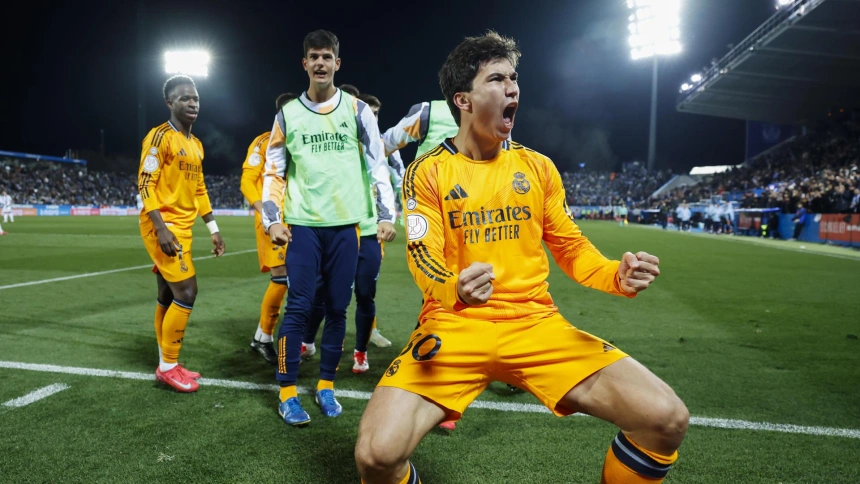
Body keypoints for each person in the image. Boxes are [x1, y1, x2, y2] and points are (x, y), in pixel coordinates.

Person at [354, 31, 688, 484]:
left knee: (666, 418)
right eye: (496, 79)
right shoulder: (427, 171)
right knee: (376, 455)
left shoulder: (538, 168)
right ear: (464, 100)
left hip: (535, 325)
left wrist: (615, 274)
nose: (512, 88)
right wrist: (454, 287)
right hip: (454, 326)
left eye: (514, 78)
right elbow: (422, 255)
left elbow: (570, 246)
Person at [261, 30, 397, 426]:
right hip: (303, 228)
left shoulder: (358, 111)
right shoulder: (286, 115)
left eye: (327, 57)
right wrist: (273, 221)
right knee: (298, 310)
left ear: (338, 63)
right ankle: (286, 391)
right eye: (313, 57)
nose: (320, 63)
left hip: (346, 229)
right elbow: (273, 172)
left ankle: (325, 387)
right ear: (304, 64)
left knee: (338, 309)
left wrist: (387, 215)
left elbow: (377, 166)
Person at [302, 92, 404, 373]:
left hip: (369, 231)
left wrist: (392, 216)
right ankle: (308, 341)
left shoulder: (382, 149)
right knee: (324, 292)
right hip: (337, 227)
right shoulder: (336, 143)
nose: (370, 118)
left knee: (365, 294)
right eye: (366, 112)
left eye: (375, 114)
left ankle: (360, 351)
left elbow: (401, 179)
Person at [137, 75, 226, 393]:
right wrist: (160, 227)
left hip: (184, 227)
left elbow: (199, 189)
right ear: (170, 103)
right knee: (187, 293)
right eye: (185, 98)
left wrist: (213, 229)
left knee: (167, 295)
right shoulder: (160, 137)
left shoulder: (196, 144)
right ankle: (169, 367)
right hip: (163, 226)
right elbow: (146, 183)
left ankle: (166, 361)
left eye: (196, 99)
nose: (192, 103)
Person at [241, 92, 297, 365]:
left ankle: (284, 336)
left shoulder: (301, 142)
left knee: (297, 279)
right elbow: (248, 181)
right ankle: (263, 337)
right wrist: (265, 211)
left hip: (300, 218)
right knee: (281, 278)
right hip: (273, 219)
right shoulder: (264, 142)